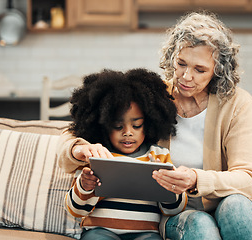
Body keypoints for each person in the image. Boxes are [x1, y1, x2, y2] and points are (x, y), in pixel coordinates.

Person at [58, 12, 252, 240]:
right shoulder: (155, 95)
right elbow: (75, 133)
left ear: (218, 71)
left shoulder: (237, 103)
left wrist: (196, 180)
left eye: (200, 70)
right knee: (199, 222)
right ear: (173, 57)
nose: (186, 76)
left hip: (227, 202)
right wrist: (78, 148)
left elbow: (247, 178)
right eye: (181, 64)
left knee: (235, 205)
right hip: (177, 212)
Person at [63, 68, 187, 240]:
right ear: (103, 124)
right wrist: (85, 187)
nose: (128, 133)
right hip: (100, 232)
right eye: (118, 126)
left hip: (146, 234)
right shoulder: (97, 154)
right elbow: (75, 210)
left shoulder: (159, 156)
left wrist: (170, 186)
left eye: (136, 126)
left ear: (150, 123)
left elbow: (173, 209)